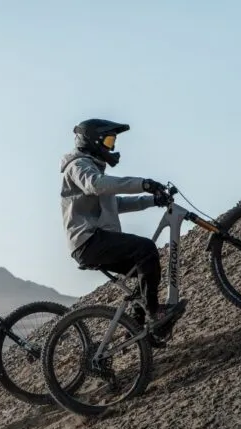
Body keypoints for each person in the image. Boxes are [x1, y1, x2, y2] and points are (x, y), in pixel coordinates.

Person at [59, 118, 186, 346]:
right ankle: (155, 313)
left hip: (92, 241)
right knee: (145, 249)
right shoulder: (78, 166)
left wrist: (151, 199)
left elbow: (115, 203)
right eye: (108, 140)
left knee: (143, 270)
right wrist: (142, 183)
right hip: (88, 241)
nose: (111, 147)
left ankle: (139, 331)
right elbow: (95, 185)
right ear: (93, 141)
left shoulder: (93, 168)